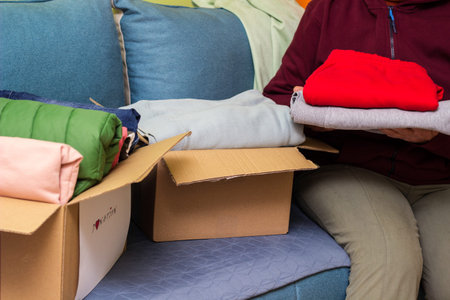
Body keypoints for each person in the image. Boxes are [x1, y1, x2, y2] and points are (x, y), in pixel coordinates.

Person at [263, 0, 450, 299]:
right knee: (390, 257)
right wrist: (315, 118)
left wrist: (434, 137)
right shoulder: (329, 7)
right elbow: (277, 98)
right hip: (347, 169)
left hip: (439, 178)